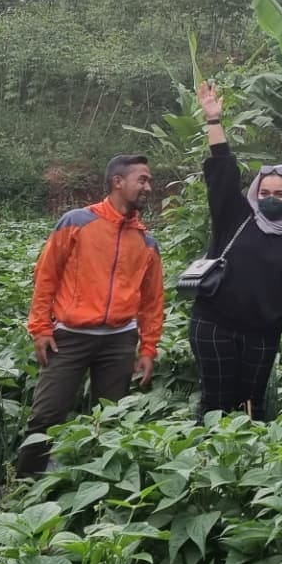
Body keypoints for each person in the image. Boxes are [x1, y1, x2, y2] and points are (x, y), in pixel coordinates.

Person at [15, 154, 164, 476]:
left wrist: (148, 348)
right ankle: (23, 485)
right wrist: (41, 327)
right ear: (118, 182)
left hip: (119, 341)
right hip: (69, 336)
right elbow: (46, 275)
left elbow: (152, 301)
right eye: (143, 180)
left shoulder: (146, 240)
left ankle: (93, 486)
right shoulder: (77, 222)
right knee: (47, 414)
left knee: (109, 419)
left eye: (149, 181)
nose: (148, 187)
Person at [191, 82, 282, 419]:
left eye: (280, 194)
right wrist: (213, 121)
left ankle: (247, 465)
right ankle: (204, 463)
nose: (270, 198)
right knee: (217, 401)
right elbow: (222, 172)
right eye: (265, 191)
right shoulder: (235, 217)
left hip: (262, 335)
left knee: (252, 404)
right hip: (214, 325)